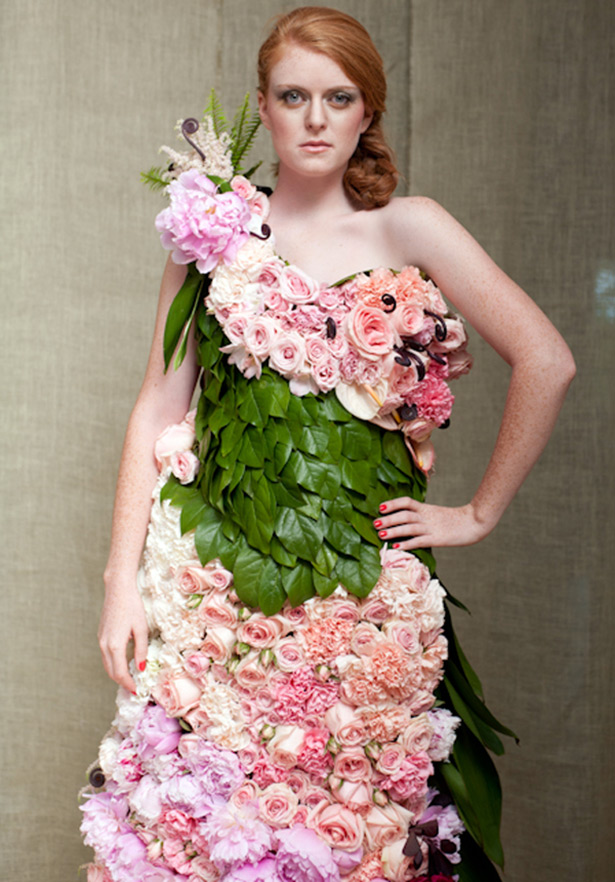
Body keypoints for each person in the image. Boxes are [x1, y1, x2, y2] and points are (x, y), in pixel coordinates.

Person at [84, 7, 575, 882]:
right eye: (293, 95)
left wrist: (477, 512)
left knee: (355, 836)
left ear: (366, 112)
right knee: (199, 830)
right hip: (213, 586)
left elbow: (545, 358)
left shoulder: (410, 227)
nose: (315, 118)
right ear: (264, 110)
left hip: (358, 602)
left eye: (337, 97)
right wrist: (121, 582)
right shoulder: (213, 232)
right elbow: (158, 403)